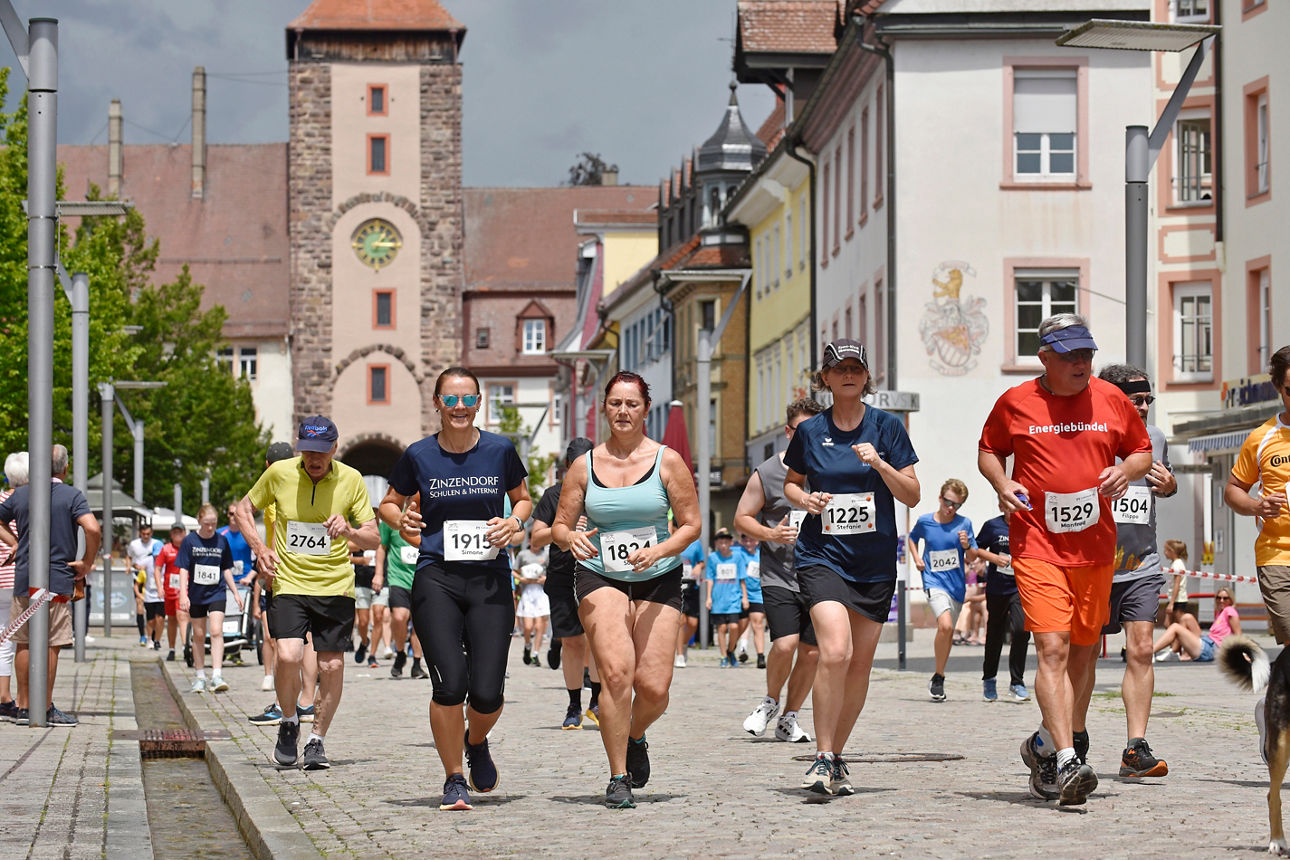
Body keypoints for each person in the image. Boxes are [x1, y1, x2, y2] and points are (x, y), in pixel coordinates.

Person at [978, 314, 1151, 805]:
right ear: (1045, 357)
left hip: (1095, 548)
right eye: (1071, 355)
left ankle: (1049, 743)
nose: (1082, 363)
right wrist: (1001, 481)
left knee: (1082, 650)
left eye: (1087, 354)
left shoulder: (1112, 398)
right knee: (1051, 649)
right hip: (1036, 544)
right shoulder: (1016, 402)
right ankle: (1068, 756)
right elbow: (988, 450)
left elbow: (1140, 450)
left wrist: (1125, 469)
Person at [379, 367, 532, 812]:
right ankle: (453, 779)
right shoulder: (419, 455)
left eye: (467, 399)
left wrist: (515, 520)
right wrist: (400, 518)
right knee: (449, 686)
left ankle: (476, 739)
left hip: (489, 578)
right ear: (437, 404)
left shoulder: (500, 449)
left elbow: (522, 497)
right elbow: (389, 503)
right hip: (437, 576)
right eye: (450, 399)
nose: (459, 407)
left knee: (487, 693)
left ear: (479, 402)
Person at [552, 370, 701, 809]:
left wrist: (660, 550)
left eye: (631, 404)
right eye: (615, 403)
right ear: (604, 408)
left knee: (654, 686)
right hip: (601, 572)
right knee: (616, 674)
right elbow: (560, 525)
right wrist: (569, 538)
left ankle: (635, 735)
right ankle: (617, 776)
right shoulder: (585, 466)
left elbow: (692, 525)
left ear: (645, 410)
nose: (623, 411)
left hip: (658, 573)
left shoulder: (667, 460)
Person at [784, 339, 920, 796]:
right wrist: (806, 500)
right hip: (822, 555)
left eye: (855, 368)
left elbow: (912, 494)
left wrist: (880, 463)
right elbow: (791, 485)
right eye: (838, 368)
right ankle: (821, 756)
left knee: (859, 665)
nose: (847, 375)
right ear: (825, 378)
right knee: (836, 652)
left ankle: (837, 755)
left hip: (874, 562)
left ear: (866, 376)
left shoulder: (887, 427)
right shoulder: (810, 432)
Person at [235, 416, 378, 770]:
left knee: (331, 664)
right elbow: (241, 510)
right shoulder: (280, 473)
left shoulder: (351, 479)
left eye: (321, 451)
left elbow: (373, 537)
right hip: (289, 582)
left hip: (334, 586)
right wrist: (260, 548)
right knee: (287, 655)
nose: (314, 458)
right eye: (307, 450)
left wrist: (349, 531)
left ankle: (317, 740)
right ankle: (288, 721)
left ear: (334, 448)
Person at [1069, 363, 1176, 779]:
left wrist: (1169, 487)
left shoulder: (1157, 439)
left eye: (1150, 399)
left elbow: (1161, 488)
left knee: (1144, 649)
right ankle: (1074, 737)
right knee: (1084, 657)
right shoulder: (1086, 435)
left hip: (1141, 564)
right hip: (1092, 564)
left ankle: (1135, 747)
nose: (1145, 406)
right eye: (1137, 399)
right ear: (1113, 399)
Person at [736, 397, 822, 744]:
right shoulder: (769, 472)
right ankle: (770, 701)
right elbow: (741, 517)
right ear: (789, 432)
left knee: (813, 651)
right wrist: (771, 533)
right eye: (803, 430)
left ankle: (790, 717)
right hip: (779, 575)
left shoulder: (829, 470)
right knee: (785, 644)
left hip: (821, 574)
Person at [0, 444, 101, 726]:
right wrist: (86, 562)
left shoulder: (21, 493)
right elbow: (92, 528)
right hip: (57, 580)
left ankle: (22, 706)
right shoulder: (71, 495)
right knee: (51, 643)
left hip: (24, 580)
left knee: (24, 642)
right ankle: (43, 708)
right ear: (65, 468)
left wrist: (16, 543)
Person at [1225, 344, 1290, 762]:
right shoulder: (1262, 437)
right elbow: (1233, 490)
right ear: (1279, 389)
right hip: (1277, 555)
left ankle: (1273, 714)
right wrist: (1255, 506)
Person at [531, 437, 600, 728]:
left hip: (598, 571)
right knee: (572, 642)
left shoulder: (604, 492)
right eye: (575, 466)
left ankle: (597, 701)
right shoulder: (553, 495)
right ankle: (574, 704)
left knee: (598, 641)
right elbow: (535, 539)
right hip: (561, 575)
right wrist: (564, 529)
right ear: (567, 467)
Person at [908, 479, 978, 702]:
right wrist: (917, 558)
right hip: (933, 581)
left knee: (947, 634)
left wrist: (967, 546)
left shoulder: (964, 524)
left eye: (956, 505)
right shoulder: (926, 521)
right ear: (940, 498)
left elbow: (972, 557)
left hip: (956, 586)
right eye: (948, 502)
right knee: (945, 625)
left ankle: (939, 675)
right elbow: (912, 538)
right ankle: (938, 676)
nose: (951, 508)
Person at [179, 503, 244, 693]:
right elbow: (183, 568)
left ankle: (217, 674)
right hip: (196, 594)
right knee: (198, 635)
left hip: (217, 592)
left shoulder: (221, 542)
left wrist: (235, 592)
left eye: (214, 524)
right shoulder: (189, 541)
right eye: (207, 524)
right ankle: (200, 676)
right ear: (199, 521)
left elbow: (226, 569)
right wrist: (183, 593)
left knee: (216, 631)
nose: (210, 528)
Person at [249, 440, 294, 700]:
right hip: (288, 568)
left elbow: (277, 528)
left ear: (267, 466)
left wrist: (268, 559)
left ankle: (284, 701)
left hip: (279, 570)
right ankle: (301, 697)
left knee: (280, 637)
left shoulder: (275, 491)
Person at [976, 502, 1030, 702]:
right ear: (1001, 506)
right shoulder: (992, 526)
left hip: (1020, 587)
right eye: (1009, 507)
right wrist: (993, 557)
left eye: (1017, 508)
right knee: (995, 633)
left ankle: (1017, 682)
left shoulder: (1028, 525)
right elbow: (976, 548)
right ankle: (989, 678)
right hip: (997, 588)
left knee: (1022, 630)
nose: (1013, 511)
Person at [374, 513, 427, 680]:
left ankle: (417, 664)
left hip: (423, 578)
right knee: (399, 617)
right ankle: (400, 652)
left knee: (419, 622)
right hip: (398, 579)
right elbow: (382, 546)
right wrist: (378, 573)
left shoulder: (429, 515)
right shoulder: (392, 519)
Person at [0, 451, 28, 721]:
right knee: (20, 640)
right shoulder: (27, 501)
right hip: (17, 578)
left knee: (2, 638)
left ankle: (4, 695)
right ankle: (20, 699)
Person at [1150, 588, 1239, 661]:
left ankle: (1150, 653)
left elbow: (1238, 635)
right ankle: (1175, 652)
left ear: (1231, 600)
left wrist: (1243, 653)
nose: (1221, 600)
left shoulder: (1230, 610)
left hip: (1211, 649)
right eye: (1218, 598)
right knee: (1187, 617)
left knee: (1175, 627)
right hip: (1208, 642)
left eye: (1225, 598)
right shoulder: (1220, 613)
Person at [705, 528, 748, 667]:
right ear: (717, 543)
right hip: (718, 598)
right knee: (722, 628)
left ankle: (731, 650)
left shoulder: (737, 557)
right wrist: (708, 598)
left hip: (734, 598)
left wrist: (745, 597)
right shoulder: (712, 557)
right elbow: (710, 579)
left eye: (726, 542)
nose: (723, 545)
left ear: (731, 543)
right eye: (720, 542)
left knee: (734, 626)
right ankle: (723, 655)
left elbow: (742, 578)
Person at [128, 523, 164, 650]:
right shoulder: (134, 544)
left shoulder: (156, 543)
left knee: (158, 617)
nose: (146, 536)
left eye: (148, 534)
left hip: (157, 582)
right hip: (142, 577)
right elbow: (130, 558)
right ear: (140, 533)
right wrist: (133, 567)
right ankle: (143, 635)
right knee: (140, 607)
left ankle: (154, 638)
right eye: (143, 534)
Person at [513, 540, 549, 667]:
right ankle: (527, 645)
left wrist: (545, 579)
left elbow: (551, 571)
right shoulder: (523, 554)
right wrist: (521, 579)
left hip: (541, 592)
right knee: (528, 627)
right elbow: (514, 570)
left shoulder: (545, 555)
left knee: (539, 626)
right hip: (527, 592)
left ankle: (535, 654)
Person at [734, 531, 768, 668]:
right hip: (740, 594)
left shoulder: (763, 554)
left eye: (751, 540)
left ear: (757, 541)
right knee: (740, 626)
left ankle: (761, 656)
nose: (748, 543)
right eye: (745, 540)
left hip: (757, 594)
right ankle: (731, 649)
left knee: (758, 623)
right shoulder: (737, 553)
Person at [156, 523, 187, 661]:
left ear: (184, 533)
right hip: (169, 589)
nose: (177, 535)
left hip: (184, 589)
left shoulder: (189, 548)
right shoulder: (166, 549)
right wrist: (159, 587)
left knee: (182, 616)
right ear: (171, 535)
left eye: (180, 532)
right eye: (175, 532)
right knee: (172, 619)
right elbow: (157, 568)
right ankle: (172, 648)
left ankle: (187, 647)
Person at [674, 538, 705, 667]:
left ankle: (684, 644)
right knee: (681, 621)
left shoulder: (695, 542)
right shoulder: (670, 539)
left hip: (692, 586)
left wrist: (699, 566)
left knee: (693, 623)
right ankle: (680, 654)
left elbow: (701, 561)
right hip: (676, 585)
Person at [350, 535, 378, 665]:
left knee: (379, 616)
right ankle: (364, 642)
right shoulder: (357, 533)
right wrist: (361, 560)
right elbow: (343, 555)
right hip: (361, 582)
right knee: (363, 622)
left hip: (381, 581)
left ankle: (372, 655)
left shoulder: (386, 527)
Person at [1163, 539, 1190, 625]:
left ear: (1172, 551)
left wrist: (1171, 603)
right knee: (1168, 624)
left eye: (1166, 550)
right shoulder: (1175, 563)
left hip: (1178, 600)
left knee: (1180, 624)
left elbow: (1177, 584)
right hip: (1174, 598)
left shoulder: (1177, 564)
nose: (1164, 552)